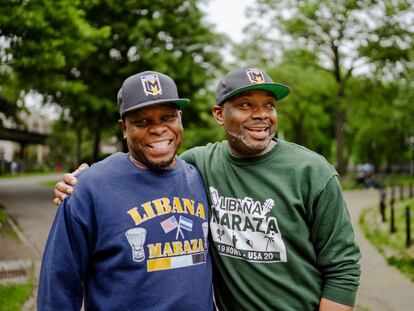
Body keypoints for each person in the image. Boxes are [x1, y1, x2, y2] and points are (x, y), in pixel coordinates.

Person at [55, 67, 361, 310]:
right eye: (245, 105)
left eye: (269, 105)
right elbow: (151, 161)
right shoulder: (200, 164)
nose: (261, 114)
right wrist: (83, 181)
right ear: (219, 114)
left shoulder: (312, 171)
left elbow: (343, 266)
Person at [39, 71, 214, 310]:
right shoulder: (89, 188)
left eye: (167, 117)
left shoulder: (201, 177)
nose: (158, 129)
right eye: (142, 121)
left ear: (180, 118)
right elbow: (58, 285)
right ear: (124, 128)